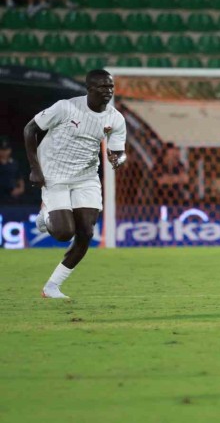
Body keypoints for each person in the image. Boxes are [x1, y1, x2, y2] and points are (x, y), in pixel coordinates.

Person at [24, 69, 127, 299]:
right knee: (63, 233)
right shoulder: (65, 108)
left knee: (86, 233)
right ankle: (45, 216)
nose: (108, 91)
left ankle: (52, 286)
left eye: (111, 86)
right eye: (102, 86)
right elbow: (30, 129)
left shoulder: (116, 118)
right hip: (54, 174)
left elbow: (119, 153)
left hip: (86, 177)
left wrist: (117, 159)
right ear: (89, 89)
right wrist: (35, 169)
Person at [0, 138, 24, 203]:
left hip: (12, 195)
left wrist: (20, 189)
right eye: (2, 150)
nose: (4, 152)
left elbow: (19, 178)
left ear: (10, 150)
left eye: (6, 150)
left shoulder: (14, 163)